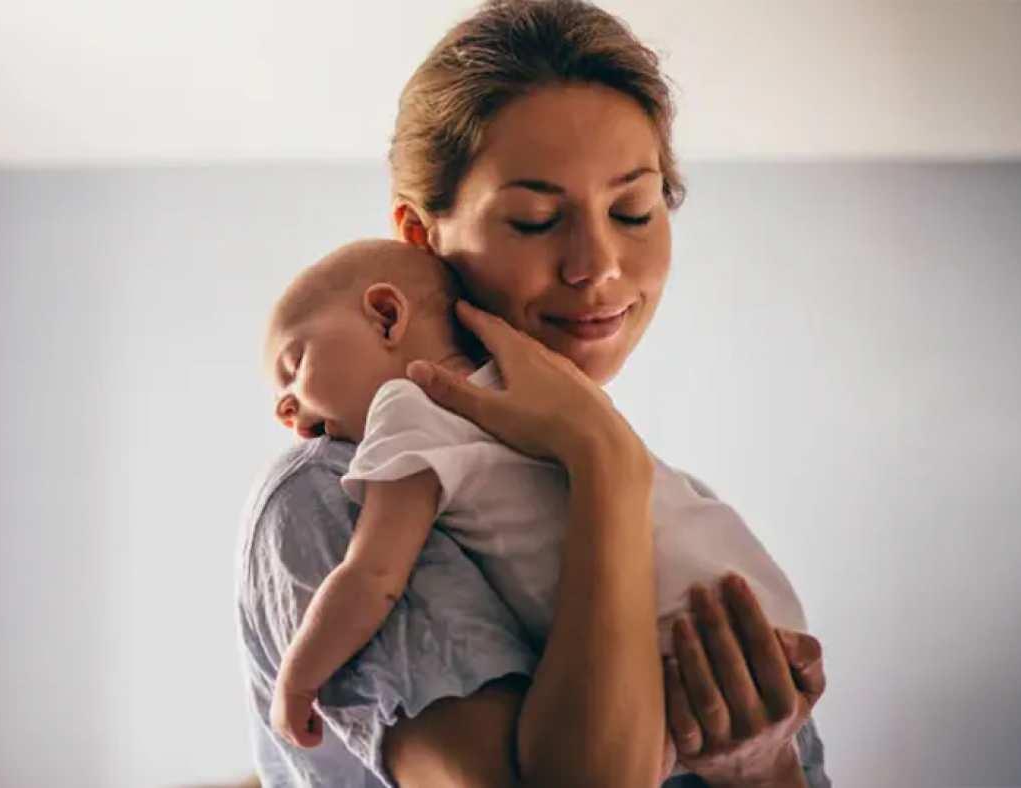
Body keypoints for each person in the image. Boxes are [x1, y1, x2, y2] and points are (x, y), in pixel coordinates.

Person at [237, 1, 830, 785]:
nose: (597, 265)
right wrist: (603, 459)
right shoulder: (332, 488)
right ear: (421, 235)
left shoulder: (677, 518)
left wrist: (761, 769)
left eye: (633, 209)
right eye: (534, 219)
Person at [260, 239, 811, 786]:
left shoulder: (407, 408)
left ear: (386, 317)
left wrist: (298, 679)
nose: (285, 408)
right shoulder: (551, 402)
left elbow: (372, 575)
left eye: (295, 365)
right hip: (756, 613)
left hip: (676, 638)